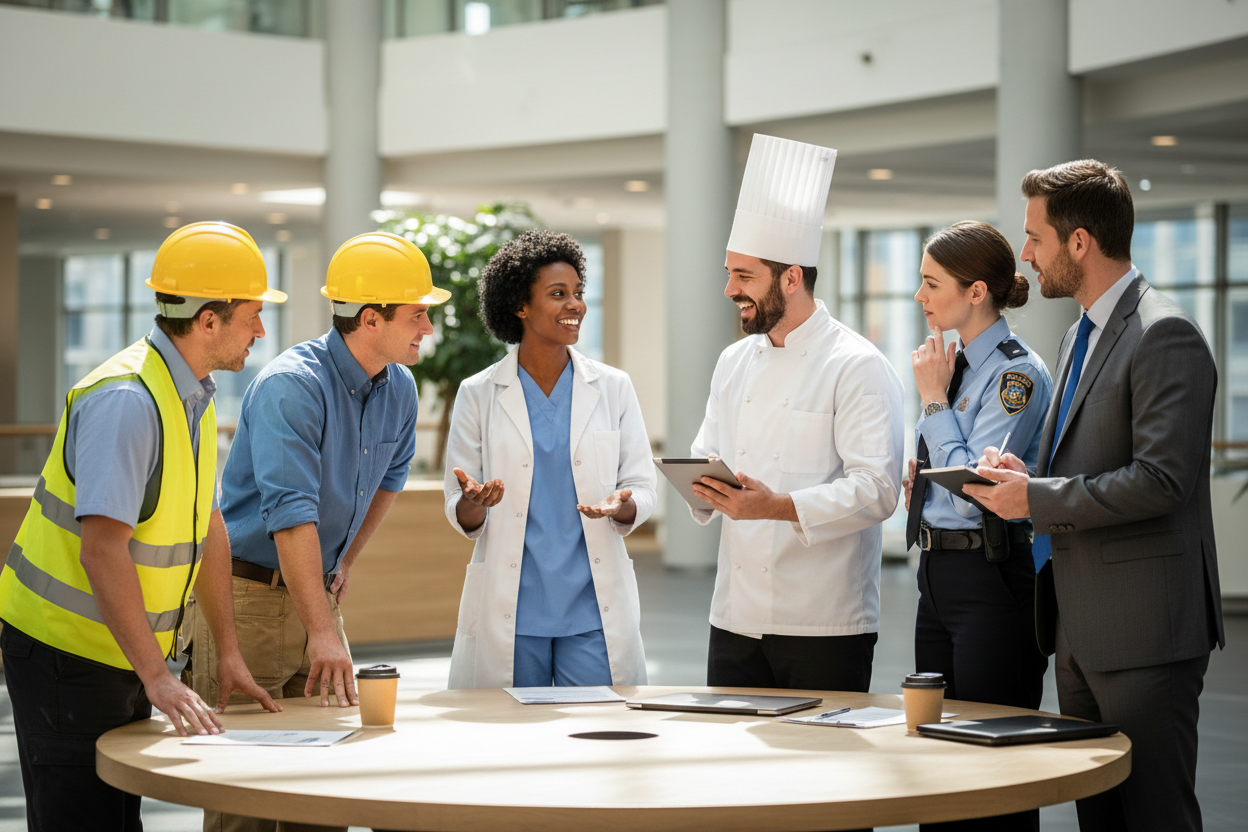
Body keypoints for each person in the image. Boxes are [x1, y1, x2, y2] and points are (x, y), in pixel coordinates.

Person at [967, 159, 1225, 832]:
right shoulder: (1080, 331)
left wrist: (1039, 500)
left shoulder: (1164, 333)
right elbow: (1084, 458)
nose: (1025, 253)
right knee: (1101, 821)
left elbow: (1163, 480)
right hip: (1079, 631)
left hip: (1143, 635)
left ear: (1079, 242)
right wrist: (1022, 472)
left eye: (1035, 237)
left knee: (1154, 816)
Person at [0, 222, 284, 832]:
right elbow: (103, 552)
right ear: (208, 320)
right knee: (82, 821)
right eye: (253, 314)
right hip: (64, 651)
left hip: (126, 651)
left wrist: (226, 651)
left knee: (116, 816)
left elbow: (206, 526)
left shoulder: (193, 396)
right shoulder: (127, 399)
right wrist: (156, 677)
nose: (261, 330)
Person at [183, 231, 449, 832]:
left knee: (326, 792)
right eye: (418, 314)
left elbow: (388, 483)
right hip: (248, 599)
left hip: (315, 595)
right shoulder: (291, 386)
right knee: (245, 797)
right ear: (372, 319)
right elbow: (290, 516)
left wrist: (345, 565)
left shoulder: (399, 389)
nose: (427, 328)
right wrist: (324, 631)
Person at [689, 134, 904, 693]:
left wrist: (778, 506)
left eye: (744, 276)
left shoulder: (857, 364)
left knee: (821, 773)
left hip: (824, 621)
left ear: (792, 278)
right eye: (729, 273)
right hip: (734, 616)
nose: (729, 289)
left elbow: (878, 489)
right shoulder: (733, 361)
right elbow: (707, 450)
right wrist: (698, 480)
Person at [443, 229, 656, 689]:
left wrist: (625, 504)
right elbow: (457, 504)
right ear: (520, 306)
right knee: (511, 744)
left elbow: (643, 485)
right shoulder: (479, 393)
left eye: (579, 293)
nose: (575, 305)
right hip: (513, 606)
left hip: (592, 607)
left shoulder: (613, 387)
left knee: (596, 737)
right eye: (558, 294)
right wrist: (476, 502)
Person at [903, 221, 1052, 832]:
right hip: (938, 572)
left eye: (931, 283)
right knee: (936, 750)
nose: (920, 296)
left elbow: (976, 498)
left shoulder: (1015, 376)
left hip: (991, 575)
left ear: (976, 292)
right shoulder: (954, 362)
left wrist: (935, 404)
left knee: (995, 767)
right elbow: (949, 476)